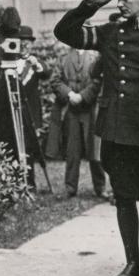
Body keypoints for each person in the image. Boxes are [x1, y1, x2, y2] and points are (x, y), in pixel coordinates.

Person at [54, 0, 139, 276]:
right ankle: (132, 263)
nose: (119, 3)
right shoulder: (109, 32)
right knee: (123, 196)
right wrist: (90, 4)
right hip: (118, 129)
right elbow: (64, 31)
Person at [0, 8, 50, 189]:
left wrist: (34, 61)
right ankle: (12, 183)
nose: (25, 45)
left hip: (28, 112)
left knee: (28, 147)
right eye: (22, 42)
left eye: (28, 42)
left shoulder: (32, 62)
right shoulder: (6, 61)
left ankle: (30, 183)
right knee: (10, 145)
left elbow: (46, 72)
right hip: (8, 110)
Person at [50, 46, 106, 197]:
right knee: (72, 149)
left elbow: (98, 80)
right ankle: (70, 187)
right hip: (71, 110)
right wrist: (69, 94)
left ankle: (100, 187)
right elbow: (55, 80)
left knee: (95, 148)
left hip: (91, 108)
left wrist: (82, 96)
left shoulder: (95, 57)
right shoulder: (63, 57)